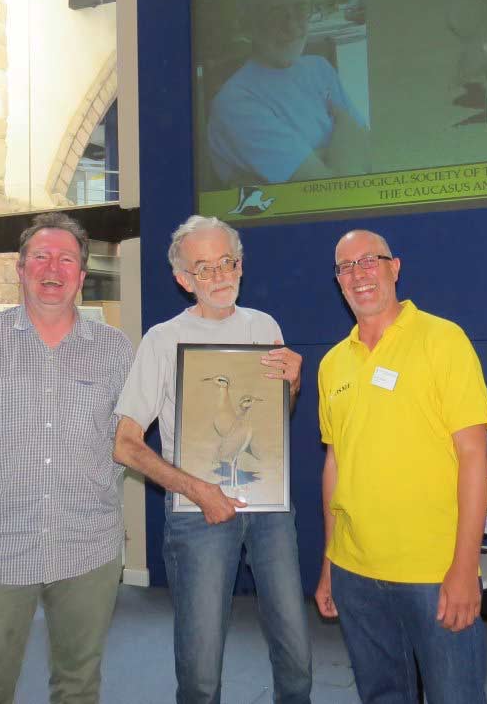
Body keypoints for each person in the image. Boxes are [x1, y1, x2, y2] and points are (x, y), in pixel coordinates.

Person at [0, 212, 134, 704]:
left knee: (78, 685)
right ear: (20, 269)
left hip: (87, 545)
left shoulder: (115, 350)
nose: (53, 268)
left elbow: (129, 439)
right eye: (40, 256)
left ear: (82, 278)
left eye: (67, 259)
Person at [112, 215, 312, 704]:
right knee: (200, 675)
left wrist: (294, 385)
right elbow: (125, 443)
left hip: (269, 508)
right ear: (184, 280)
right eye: (204, 268)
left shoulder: (265, 326)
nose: (219, 276)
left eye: (227, 263)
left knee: (297, 661)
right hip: (198, 514)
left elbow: (272, 422)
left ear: (240, 266)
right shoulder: (161, 340)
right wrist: (197, 491)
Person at [314, 229, 487, 704]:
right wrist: (331, 560)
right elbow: (335, 463)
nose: (359, 274)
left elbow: (475, 455)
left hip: (433, 572)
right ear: (338, 281)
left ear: (395, 267)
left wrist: (464, 566)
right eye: (346, 267)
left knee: (457, 696)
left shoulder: (443, 340)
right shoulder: (333, 363)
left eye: (369, 260)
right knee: (382, 696)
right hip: (355, 572)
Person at [208, 0, 370, 187]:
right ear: (250, 23)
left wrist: (326, 160)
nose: (292, 26)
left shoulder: (320, 68)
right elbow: (330, 192)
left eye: (301, 9)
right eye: (276, 14)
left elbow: (367, 145)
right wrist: (344, 135)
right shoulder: (235, 102)